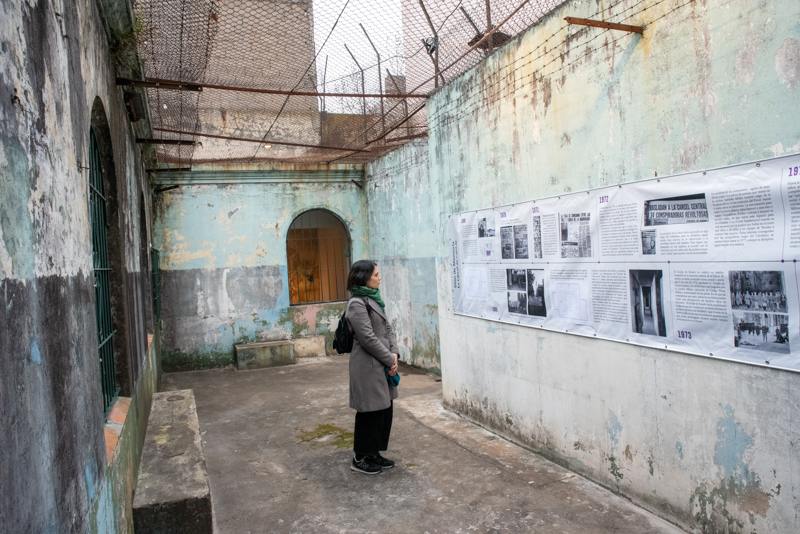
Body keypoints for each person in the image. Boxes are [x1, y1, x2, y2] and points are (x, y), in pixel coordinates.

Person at [345, 260, 399, 475]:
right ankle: (360, 457)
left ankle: (373, 453)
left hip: (384, 362)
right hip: (367, 366)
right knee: (369, 410)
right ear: (364, 277)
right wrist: (389, 359)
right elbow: (367, 338)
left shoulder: (375, 300)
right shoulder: (357, 304)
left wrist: (394, 354)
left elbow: (388, 328)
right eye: (376, 274)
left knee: (384, 409)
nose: (379, 277)